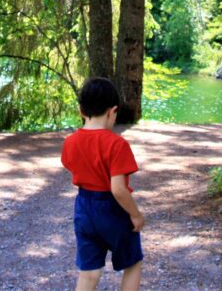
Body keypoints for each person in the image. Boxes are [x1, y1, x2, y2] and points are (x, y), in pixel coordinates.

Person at [60, 77, 145, 291]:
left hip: (84, 208)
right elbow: (118, 189)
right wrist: (135, 214)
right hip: (113, 211)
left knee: (89, 272)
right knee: (133, 263)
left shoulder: (70, 142)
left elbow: (71, 165)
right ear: (112, 111)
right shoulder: (117, 144)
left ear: (81, 111)